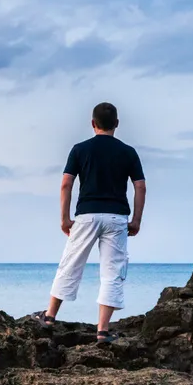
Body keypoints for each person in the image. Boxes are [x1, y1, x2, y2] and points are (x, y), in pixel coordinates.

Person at [32, 102, 146, 343]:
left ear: (93, 123)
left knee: (70, 264)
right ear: (116, 123)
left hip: (86, 215)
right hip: (116, 217)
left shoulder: (79, 149)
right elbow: (140, 186)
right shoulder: (128, 152)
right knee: (112, 272)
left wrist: (64, 218)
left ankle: (50, 316)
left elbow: (66, 184)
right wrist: (136, 219)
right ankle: (103, 331)